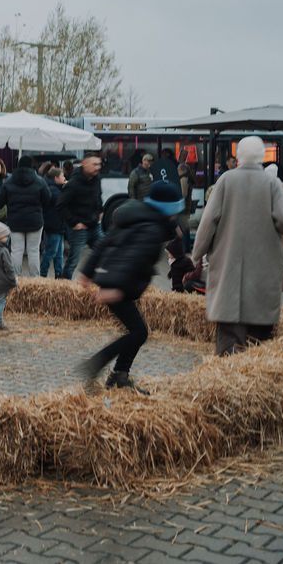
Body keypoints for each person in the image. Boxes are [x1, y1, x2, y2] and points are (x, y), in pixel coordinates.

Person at [191, 136, 283, 356]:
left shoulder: (225, 180)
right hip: (263, 272)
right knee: (258, 342)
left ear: (239, 156)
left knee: (229, 339)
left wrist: (197, 255)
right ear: (262, 157)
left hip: (228, 269)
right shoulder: (273, 184)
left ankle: (225, 378)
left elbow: (208, 221)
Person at [76, 182, 183, 393]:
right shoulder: (151, 229)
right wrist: (117, 288)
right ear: (167, 209)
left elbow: (105, 243)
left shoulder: (137, 217)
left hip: (113, 278)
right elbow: (133, 259)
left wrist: (87, 271)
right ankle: (98, 366)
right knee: (139, 332)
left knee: (137, 331)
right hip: (118, 282)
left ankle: (119, 375)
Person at [59, 153, 104, 280]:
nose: (97, 167)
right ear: (84, 163)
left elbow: (98, 196)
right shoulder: (73, 183)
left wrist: (100, 210)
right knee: (73, 261)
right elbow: (60, 205)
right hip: (79, 229)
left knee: (104, 251)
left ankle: (95, 281)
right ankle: (64, 286)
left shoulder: (97, 179)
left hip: (94, 226)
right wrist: (74, 222)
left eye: (99, 164)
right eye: (94, 164)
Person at [4, 155, 50, 276]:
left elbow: (1, 199)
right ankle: (35, 280)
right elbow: (47, 199)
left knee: (16, 251)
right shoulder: (40, 181)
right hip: (35, 221)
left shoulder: (9, 181)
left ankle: (15, 280)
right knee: (34, 251)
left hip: (15, 221)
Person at [40, 167, 67, 279]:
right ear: (56, 178)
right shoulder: (53, 189)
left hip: (58, 225)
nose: (65, 178)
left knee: (59, 254)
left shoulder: (56, 188)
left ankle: (58, 275)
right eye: (62, 176)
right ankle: (43, 275)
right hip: (54, 225)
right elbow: (61, 201)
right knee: (51, 251)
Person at [177, 162, 195, 253]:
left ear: (182, 170)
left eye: (178, 170)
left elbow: (184, 194)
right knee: (186, 227)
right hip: (187, 205)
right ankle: (186, 247)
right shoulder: (188, 178)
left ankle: (184, 248)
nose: (177, 172)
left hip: (183, 206)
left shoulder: (183, 179)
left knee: (183, 228)